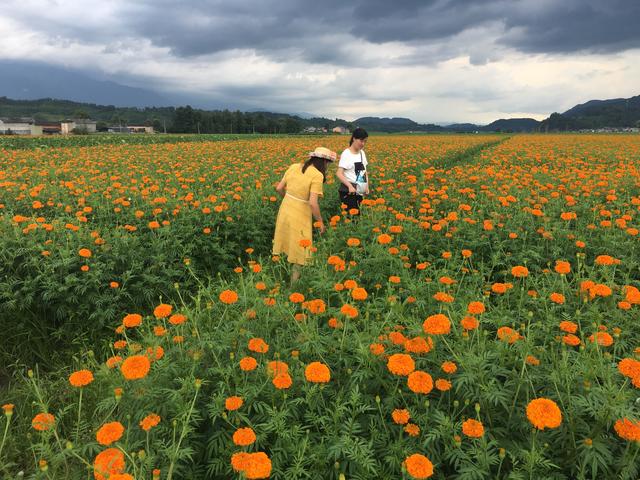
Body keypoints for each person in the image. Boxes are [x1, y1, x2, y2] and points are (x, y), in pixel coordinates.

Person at [273, 146, 336, 283]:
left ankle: (280, 275)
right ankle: (293, 286)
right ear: (324, 162)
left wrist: (288, 198)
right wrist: (320, 222)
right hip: (300, 213)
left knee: (286, 241)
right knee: (301, 250)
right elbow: (313, 203)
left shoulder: (294, 166)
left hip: (285, 207)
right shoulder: (317, 175)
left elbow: (278, 188)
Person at [336, 127, 370, 215]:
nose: (363, 144)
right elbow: (339, 173)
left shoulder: (362, 153)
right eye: (361, 140)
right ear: (354, 138)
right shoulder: (346, 154)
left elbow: (364, 171)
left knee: (359, 217)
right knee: (353, 219)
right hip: (350, 192)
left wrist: (367, 186)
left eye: (365, 141)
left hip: (360, 192)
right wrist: (349, 186)